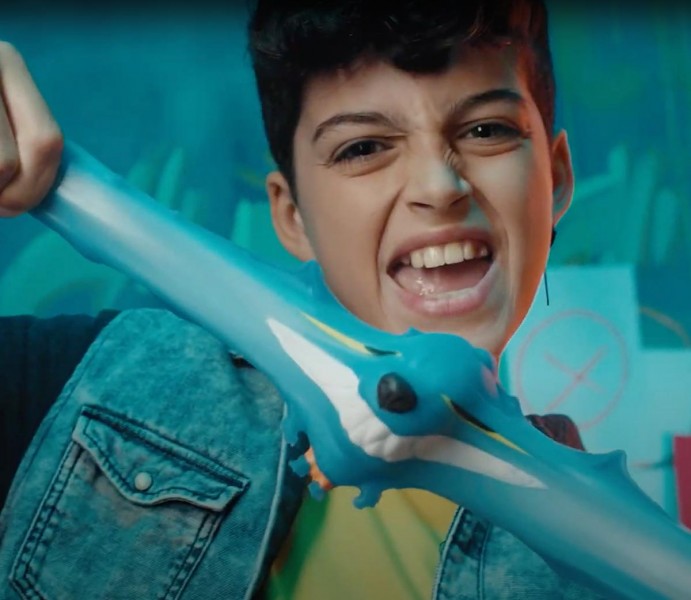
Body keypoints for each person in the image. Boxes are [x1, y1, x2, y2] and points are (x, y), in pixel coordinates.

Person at [0, 1, 604, 598]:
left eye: (486, 130)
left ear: (555, 180)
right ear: (292, 215)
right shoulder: (96, 390)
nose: (439, 187)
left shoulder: (610, 563)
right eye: (362, 148)